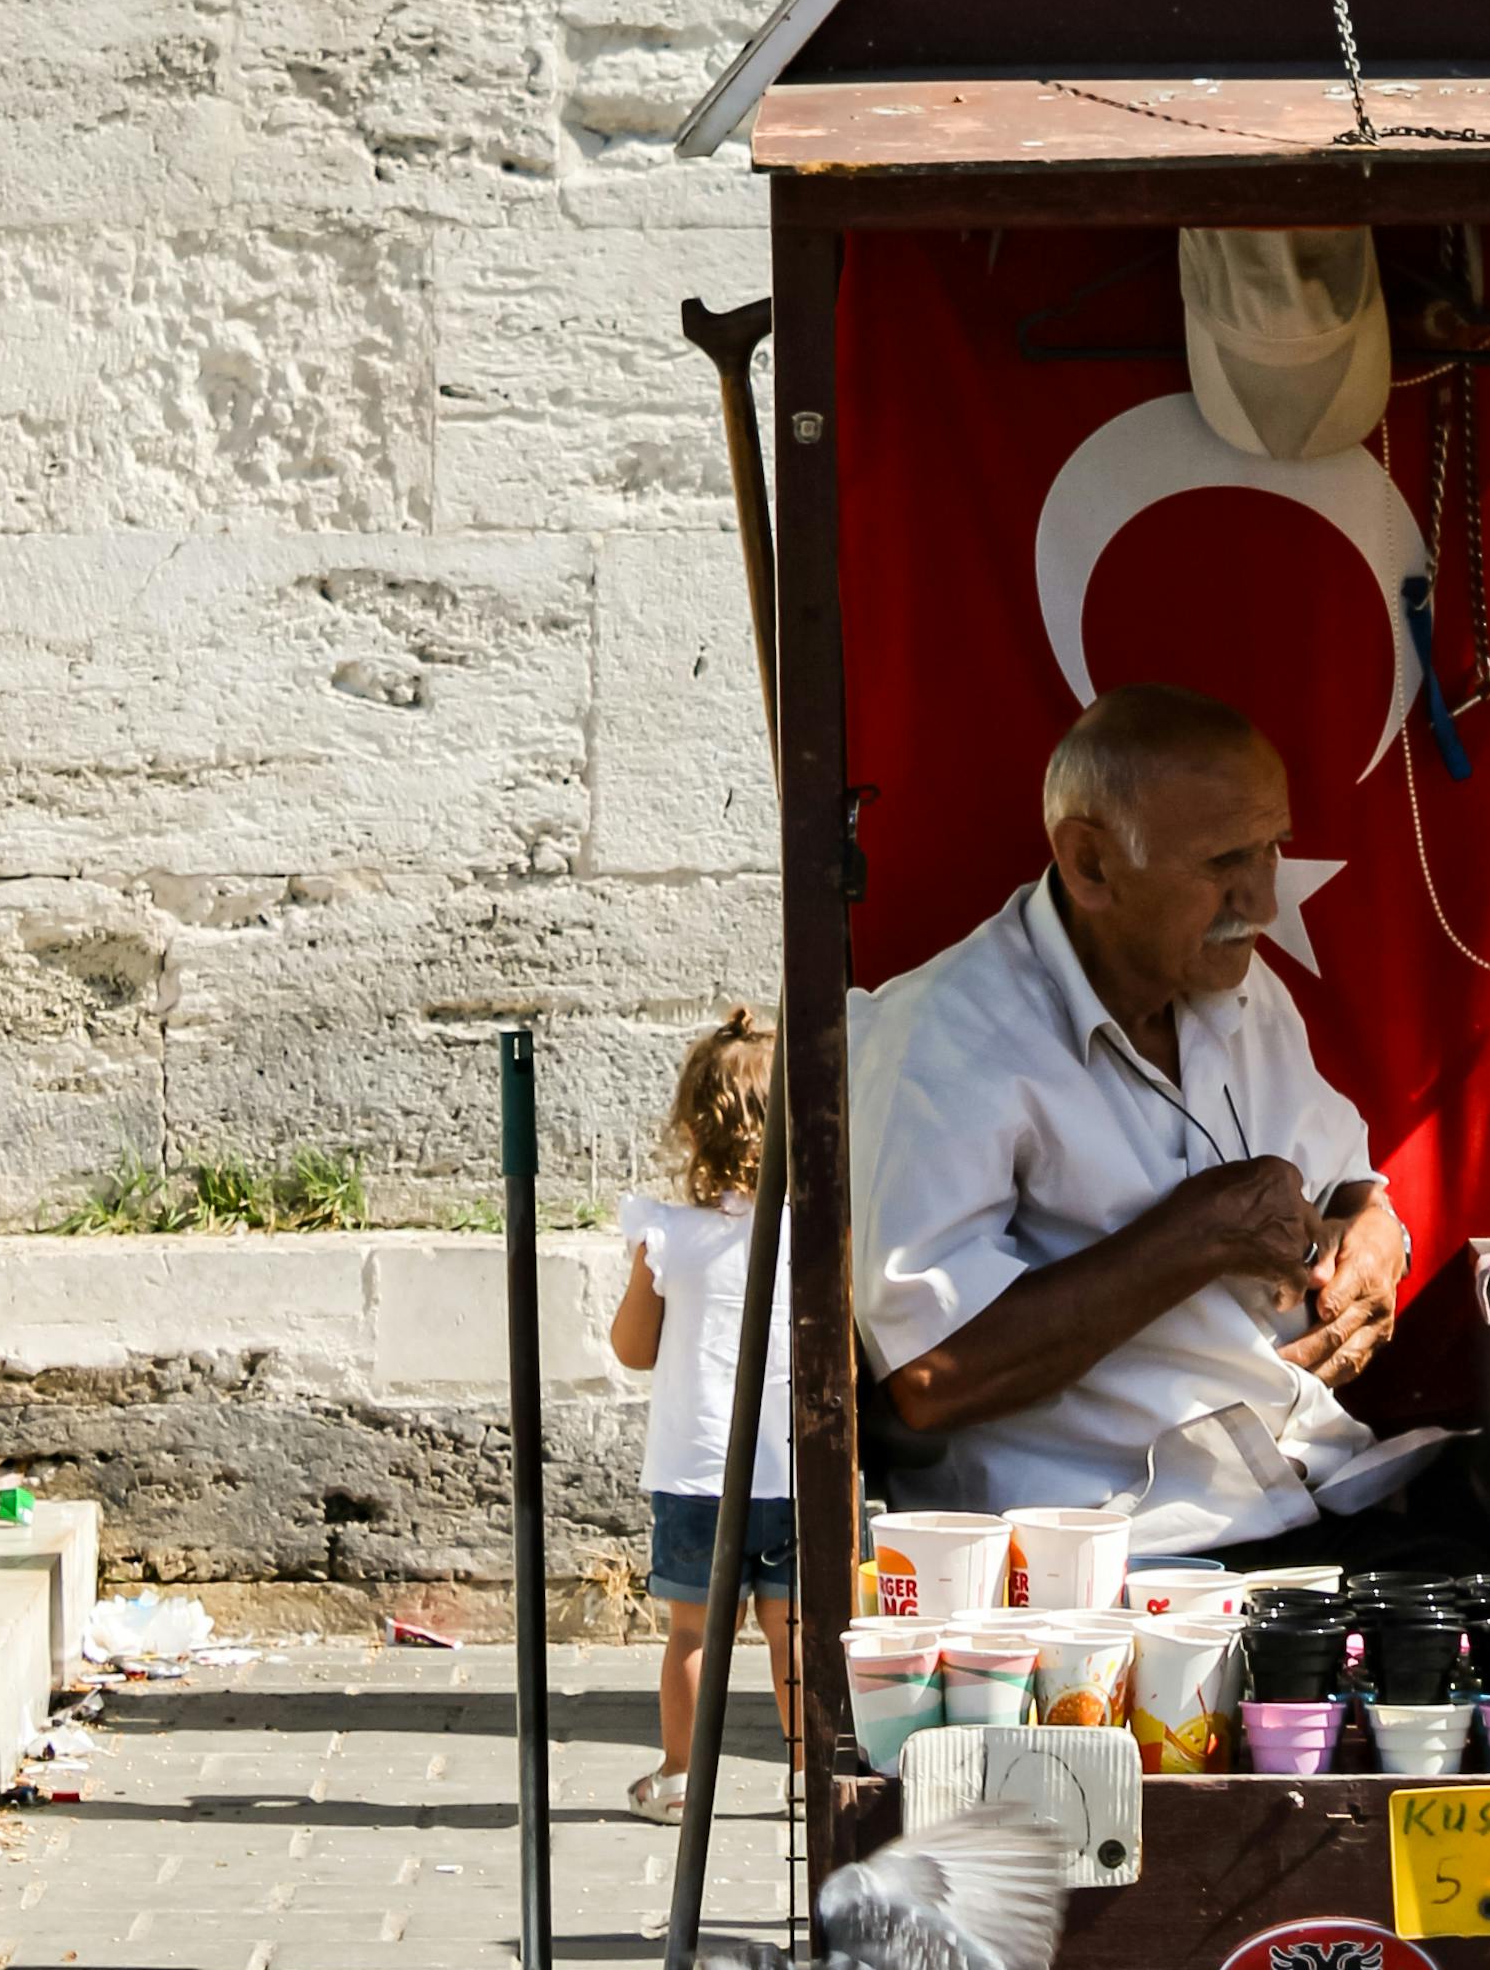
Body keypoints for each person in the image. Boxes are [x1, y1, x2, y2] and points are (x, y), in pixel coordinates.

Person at [849, 680, 1440, 1556]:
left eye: (1273, 848)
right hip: (1105, 1543)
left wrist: (1377, 1235)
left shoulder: (1236, 977)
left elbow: (1351, 1178)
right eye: (1223, 863)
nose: (1264, 900)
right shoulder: (944, 1037)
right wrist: (1199, 1232)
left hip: (1313, 1487)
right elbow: (930, 1373)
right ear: (1090, 862)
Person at [609, 1008, 797, 1812]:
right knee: (794, 1635)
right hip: (790, 1467)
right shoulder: (810, 1232)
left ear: (692, 1127)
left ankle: (682, 1777)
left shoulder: (667, 1234)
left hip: (695, 1473)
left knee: (692, 1633)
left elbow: (633, 1347)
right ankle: (807, 1778)